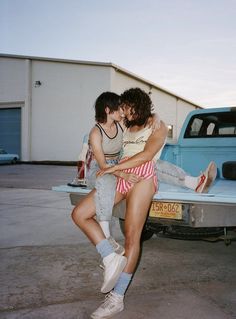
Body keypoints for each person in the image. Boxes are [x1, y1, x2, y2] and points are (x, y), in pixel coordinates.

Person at [71, 88, 168, 318]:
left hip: (143, 175)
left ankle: (117, 298)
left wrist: (112, 168)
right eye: (122, 108)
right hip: (122, 174)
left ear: (140, 106)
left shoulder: (157, 125)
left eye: (127, 107)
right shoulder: (125, 124)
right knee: (80, 214)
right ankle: (109, 256)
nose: (124, 112)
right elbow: (106, 127)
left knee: (132, 235)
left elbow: (147, 155)